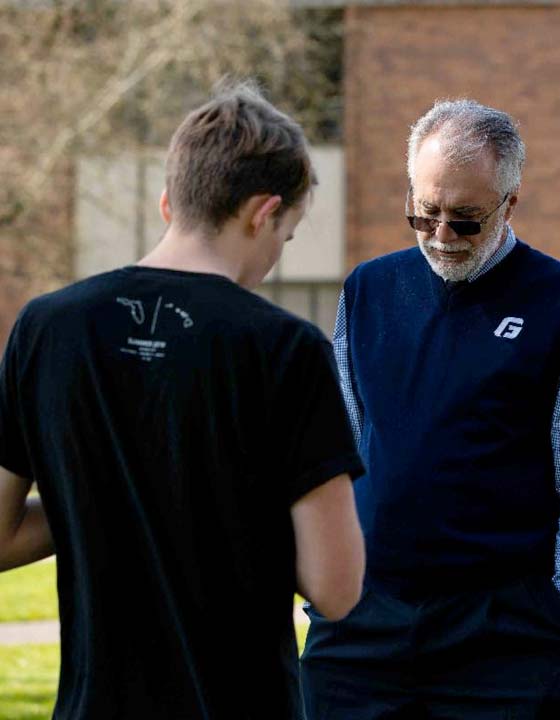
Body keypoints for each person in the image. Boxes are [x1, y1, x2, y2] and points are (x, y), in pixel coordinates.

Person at [0, 81, 366, 719]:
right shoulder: (286, 347)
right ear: (263, 211)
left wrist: (109, 492)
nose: (277, 255)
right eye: (286, 233)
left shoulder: (46, 327)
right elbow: (336, 588)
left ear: (171, 201)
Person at [300, 98, 560, 718]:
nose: (443, 236)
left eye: (467, 218)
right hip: (361, 625)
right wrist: (326, 592)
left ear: (509, 204)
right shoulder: (367, 290)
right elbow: (337, 447)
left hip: (508, 638)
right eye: (425, 214)